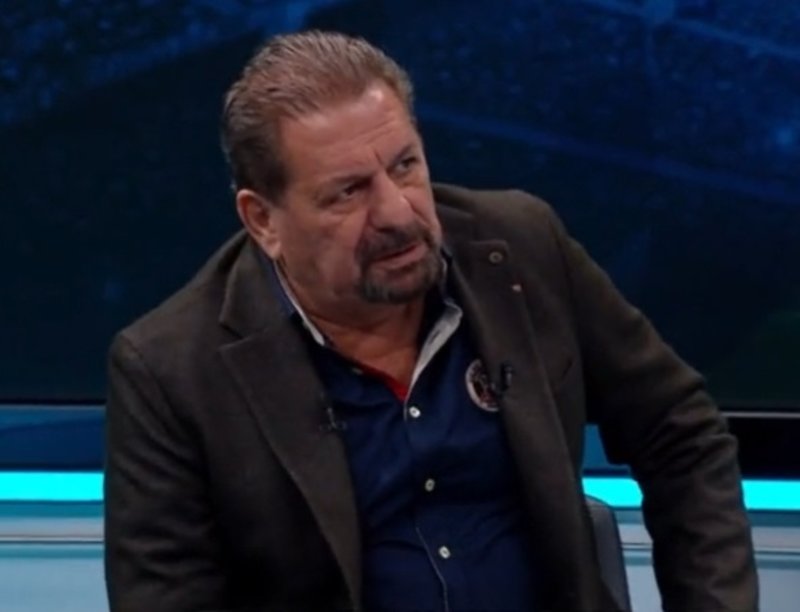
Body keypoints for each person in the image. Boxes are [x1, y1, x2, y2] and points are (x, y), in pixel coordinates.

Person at [104, 30, 758, 612]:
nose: (397, 212)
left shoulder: (521, 248)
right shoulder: (170, 371)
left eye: (405, 166)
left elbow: (680, 431)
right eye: (348, 192)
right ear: (263, 220)